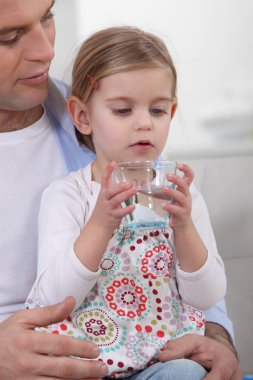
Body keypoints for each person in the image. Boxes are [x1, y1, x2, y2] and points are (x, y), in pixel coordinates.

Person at [0, 0, 242, 379]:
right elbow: (55, 293)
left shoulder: (116, 135)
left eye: (47, 16)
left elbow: (200, 294)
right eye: (8, 36)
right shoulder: (72, 188)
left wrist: (218, 342)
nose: (46, 51)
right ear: (85, 116)